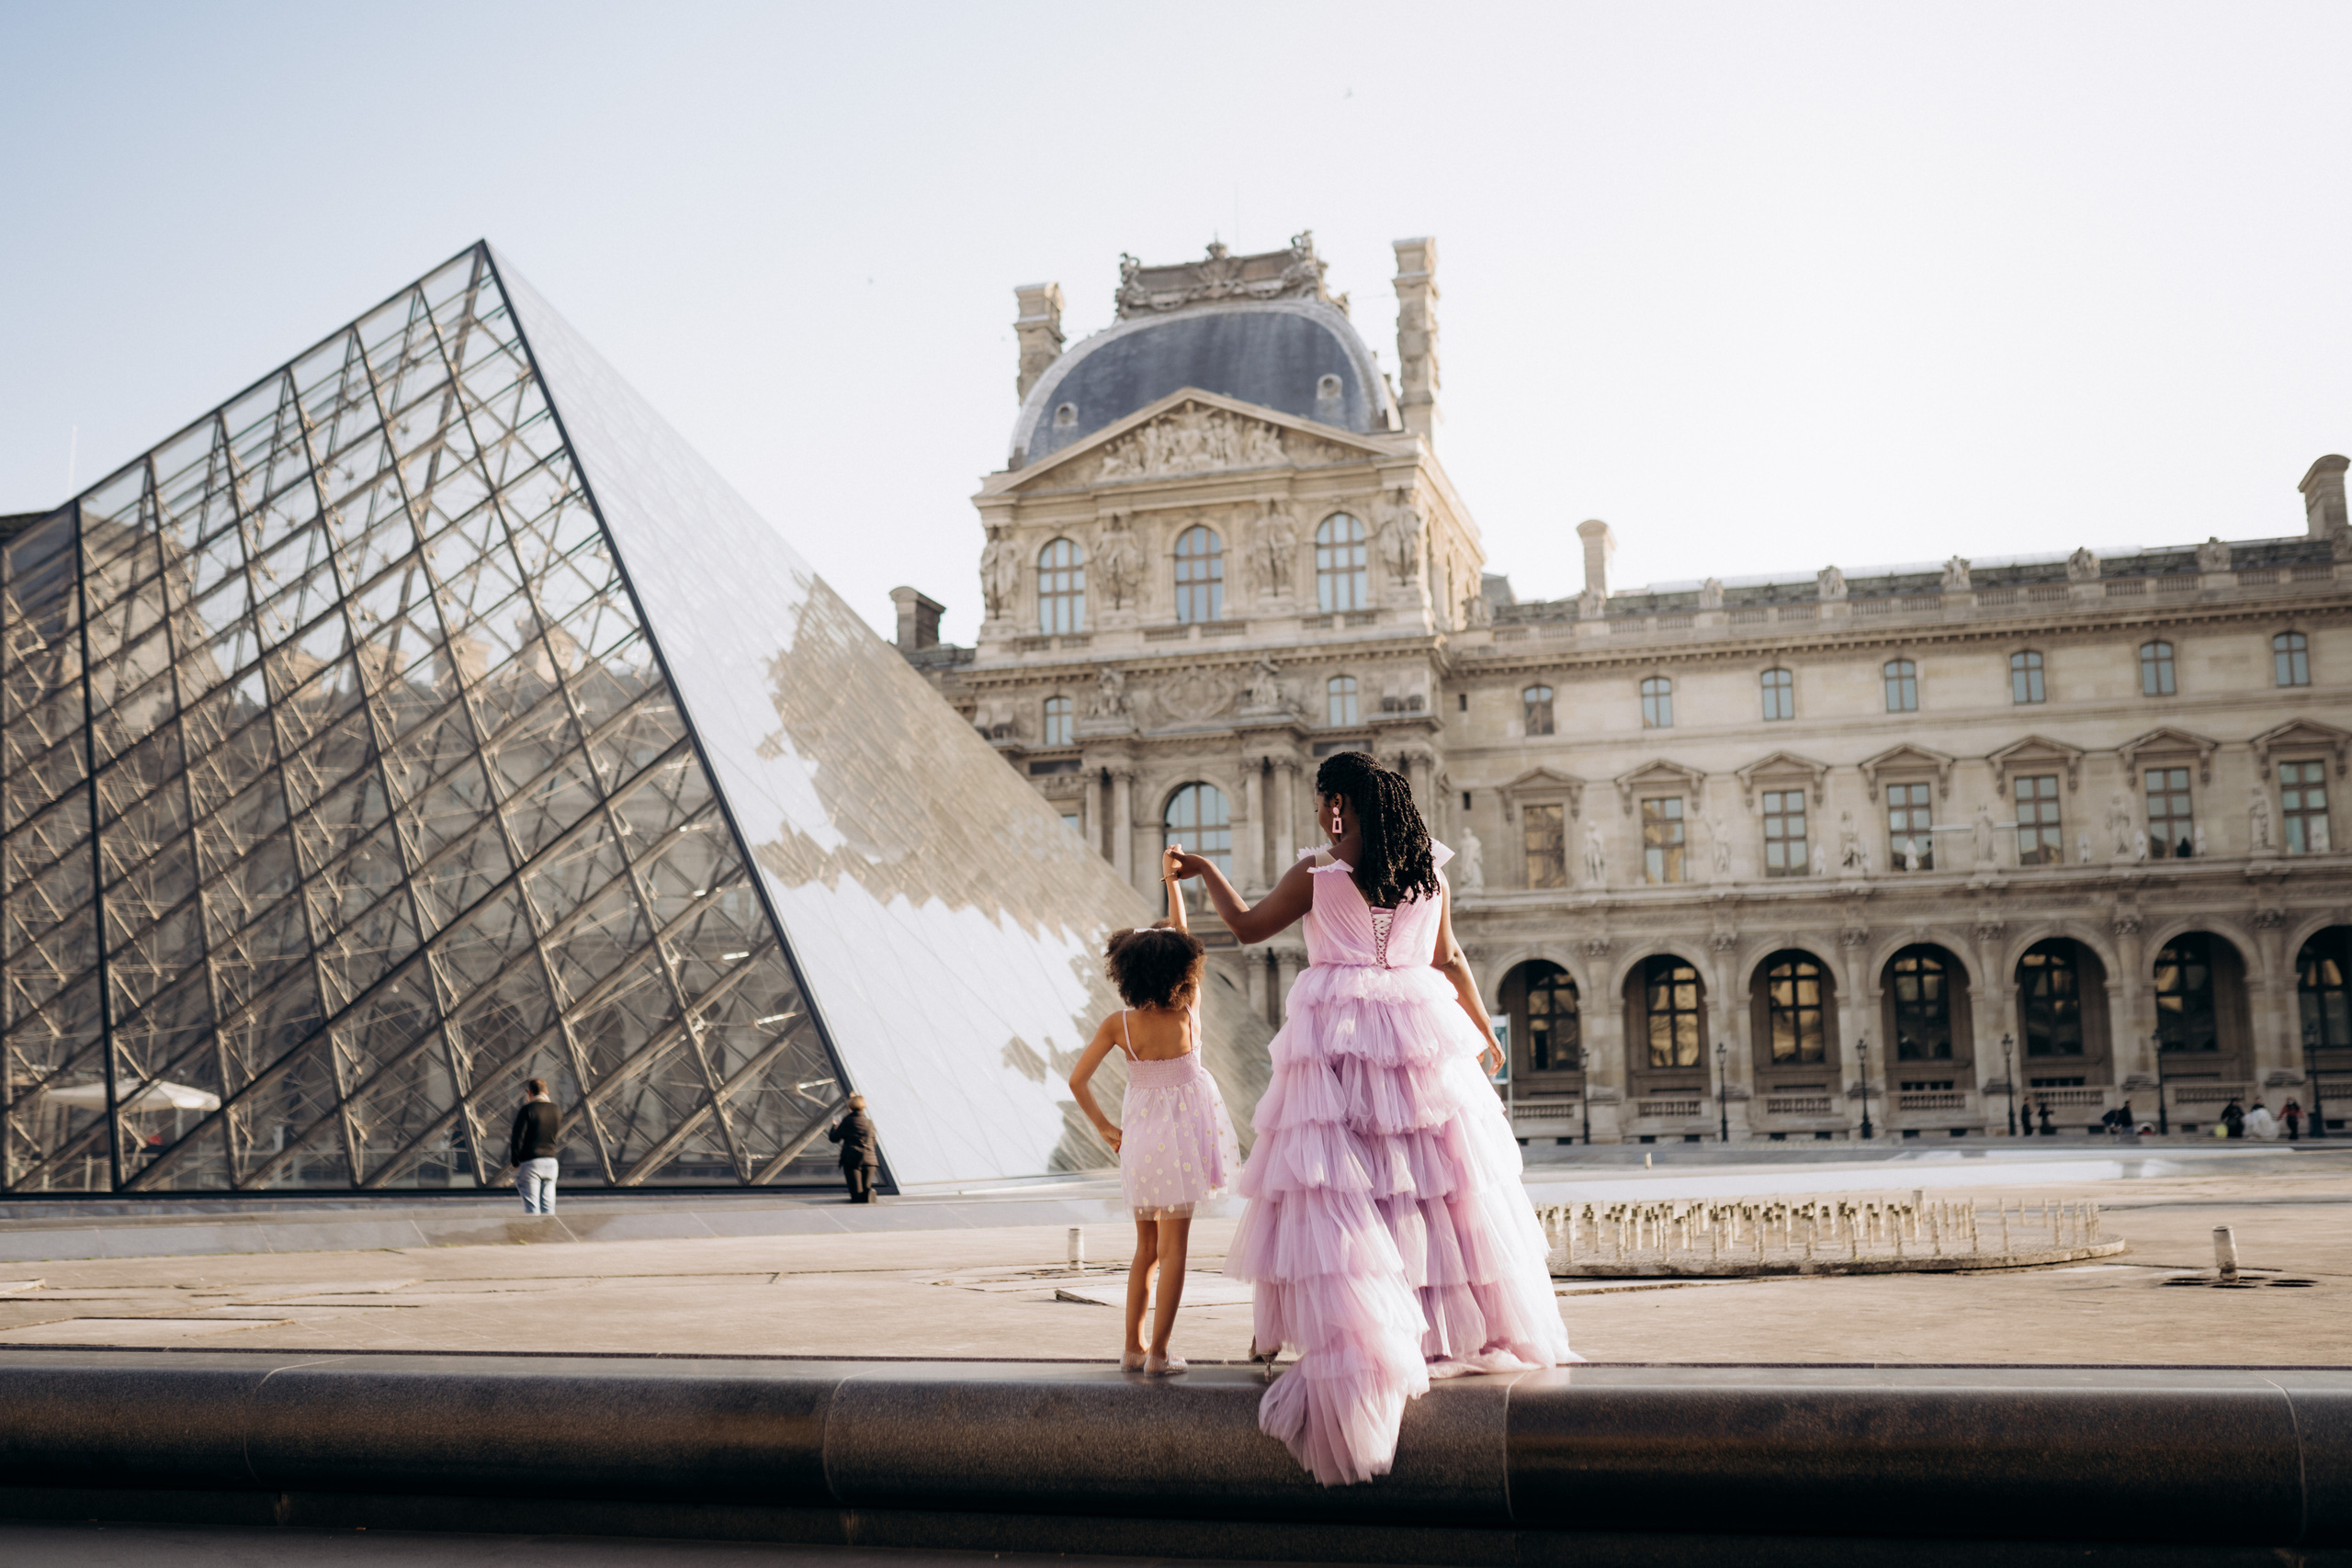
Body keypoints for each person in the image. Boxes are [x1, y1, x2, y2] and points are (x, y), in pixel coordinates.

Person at [1166, 750, 1573, 1485]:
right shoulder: (1430, 878)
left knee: (1342, 1195)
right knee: (1432, 1190)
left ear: (1339, 804)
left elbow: (1247, 926)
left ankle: (1340, 1331)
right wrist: (1484, 1037)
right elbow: (1451, 960)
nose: (1323, 812)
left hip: (1340, 1037)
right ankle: (1439, 1330)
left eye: (1327, 800)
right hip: (1421, 1030)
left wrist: (1202, 872)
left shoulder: (1318, 877)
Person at [1066, 857, 1239, 1379]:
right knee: (1176, 1251)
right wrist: (1171, 882)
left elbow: (1077, 1081)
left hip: (1140, 1142)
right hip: (1185, 1144)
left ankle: (1133, 1347)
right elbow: (1182, 934)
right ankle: (1161, 1354)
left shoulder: (1118, 1025)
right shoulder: (1189, 1015)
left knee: (1144, 1250)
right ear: (1184, 970)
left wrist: (1105, 1128)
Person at [509, 1079, 561, 1214]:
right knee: (548, 1207)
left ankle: (534, 1236)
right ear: (547, 1092)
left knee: (532, 1208)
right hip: (551, 1162)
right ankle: (548, 1235)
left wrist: (515, 1162)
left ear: (530, 1093)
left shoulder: (527, 1110)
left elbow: (517, 1138)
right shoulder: (556, 1110)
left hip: (531, 1162)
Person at [828, 1095, 880, 1202]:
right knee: (865, 1193)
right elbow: (873, 1142)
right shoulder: (869, 1123)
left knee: (856, 1195)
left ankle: (864, 1197)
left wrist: (834, 1126)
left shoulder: (848, 1121)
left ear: (850, 1107)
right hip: (870, 1160)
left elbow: (834, 1138)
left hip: (852, 1160)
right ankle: (869, 1193)